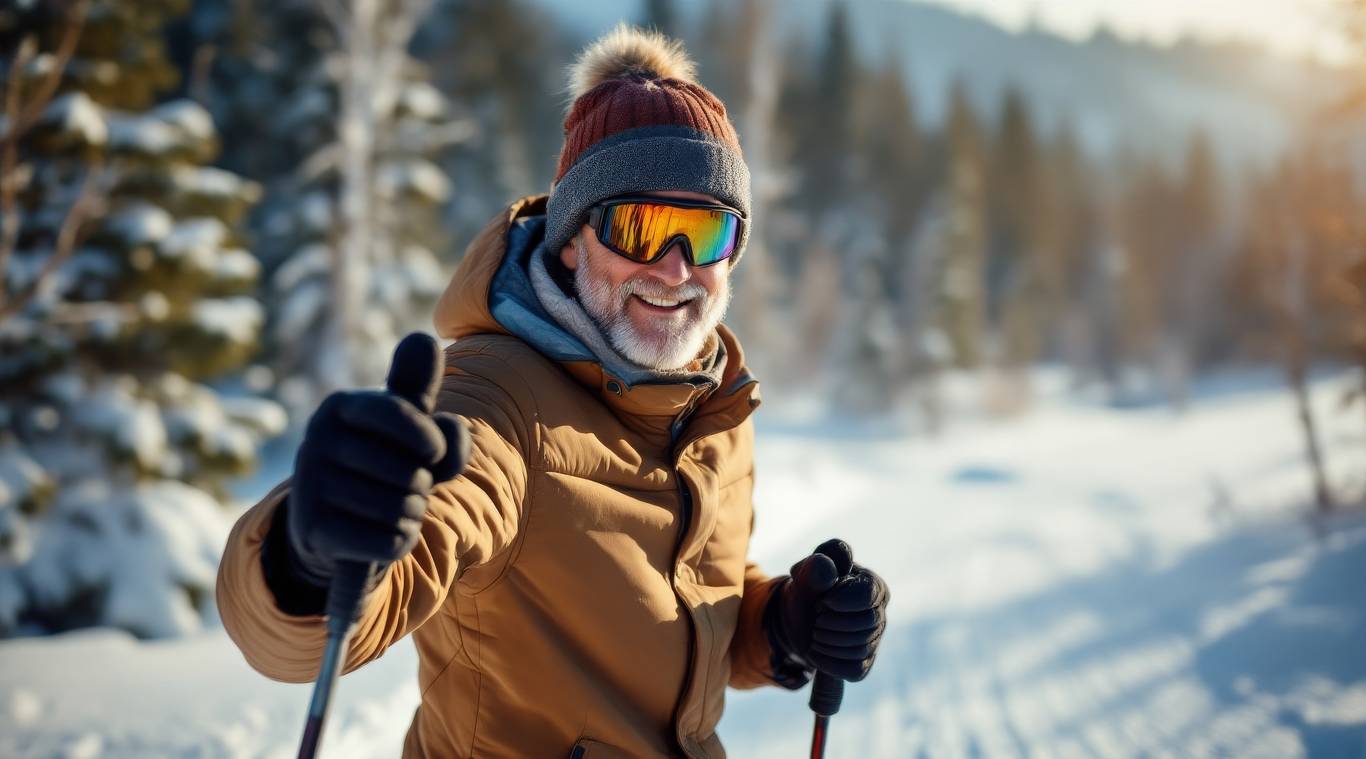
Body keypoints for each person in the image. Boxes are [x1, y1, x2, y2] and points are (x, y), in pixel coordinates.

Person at [216, 24, 889, 758]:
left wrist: (781, 625)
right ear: (572, 240)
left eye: (706, 234)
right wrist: (308, 559)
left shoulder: (714, 406)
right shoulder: (497, 396)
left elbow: (686, 615)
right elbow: (363, 588)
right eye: (641, 227)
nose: (674, 269)